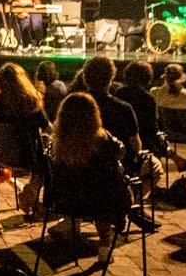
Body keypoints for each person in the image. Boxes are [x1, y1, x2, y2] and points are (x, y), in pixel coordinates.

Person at [76, 56, 162, 230]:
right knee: (156, 168)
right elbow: (135, 145)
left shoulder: (74, 105)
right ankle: (128, 205)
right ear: (111, 78)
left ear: (85, 77)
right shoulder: (123, 108)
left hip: (78, 166)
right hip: (115, 168)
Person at [46, 92, 132, 265]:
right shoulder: (104, 142)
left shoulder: (57, 144)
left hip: (66, 201)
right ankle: (105, 246)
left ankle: (69, 224)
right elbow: (121, 152)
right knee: (109, 181)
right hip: (101, 201)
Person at [0, 62, 51, 217]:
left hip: (2, 154)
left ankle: (32, 197)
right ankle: (36, 197)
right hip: (27, 155)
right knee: (50, 161)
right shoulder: (30, 101)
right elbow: (47, 126)